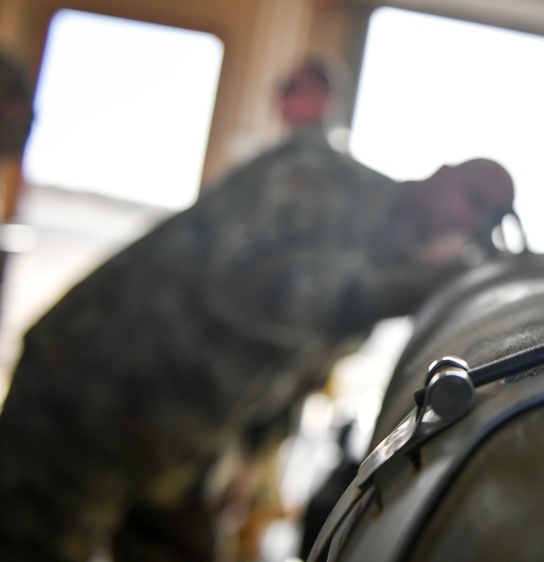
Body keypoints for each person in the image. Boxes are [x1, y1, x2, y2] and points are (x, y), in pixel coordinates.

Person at [0, 55, 516, 561]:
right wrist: (408, 288)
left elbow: (289, 375)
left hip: (178, 443)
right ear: (440, 173)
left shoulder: (386, 269)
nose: (469, 222)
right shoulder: (321, 178)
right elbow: (250, 285)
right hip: (86, 396)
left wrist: (246, 464)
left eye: (486, 218)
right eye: (470, 197)